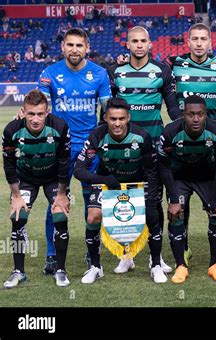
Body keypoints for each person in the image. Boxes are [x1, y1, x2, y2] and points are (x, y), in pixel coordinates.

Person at [36, 27, 111, 276]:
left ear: (87, 47)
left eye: (79, 45)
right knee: (56, 201)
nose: (74, 49)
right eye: (70, 45)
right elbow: (41, 108)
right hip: (61, 148)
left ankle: (92, 254)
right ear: (63, 47)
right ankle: (51, 255)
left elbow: (107, 114)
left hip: (90, 149)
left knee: (93, 203)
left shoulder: (99, 74)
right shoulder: (50, 73)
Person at [109, 26, 180, 274]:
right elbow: (107, 112)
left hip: (154, 147)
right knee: (124, 201)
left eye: (143, 41)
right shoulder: (116, 72)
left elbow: (172, 108)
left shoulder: (162, 70)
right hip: (123, 149)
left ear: (150, 44)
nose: (139, 45)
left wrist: (180, 130)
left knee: (153, 202)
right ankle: (126, 255)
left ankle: (155, 257)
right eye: (134, 41)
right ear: (127, 44)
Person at [74, 98, 167, 284]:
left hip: (138, 183)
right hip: (108, 184)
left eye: (121, 119)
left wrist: (151, 203)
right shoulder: (97, 136)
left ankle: (156, 265)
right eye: (113, 119)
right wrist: (103, 180)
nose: (117, 123)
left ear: (128, 118)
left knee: (153, 217)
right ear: (106, 118)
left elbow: (152, 171)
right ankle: (95, 267)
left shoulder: (142, 137)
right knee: (92, 216)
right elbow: (79, 170)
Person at [166, 23, 216, 268]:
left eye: (203, 38)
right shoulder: (173, 62)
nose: (198, 43)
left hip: (211, 139)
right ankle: (183, 249)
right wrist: (176, 117)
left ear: (210, 41)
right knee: (179, 199)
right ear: (188, 41)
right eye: (194, 38)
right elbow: (164, 85)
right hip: (183, 137)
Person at [3, 90, 71, 288]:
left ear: (47, 112)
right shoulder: (11, 130)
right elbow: (8, 164)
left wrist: (61, 194)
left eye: (40, 114)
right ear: (23, 112)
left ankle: (60, 270)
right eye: (31, 114)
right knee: (18, 217)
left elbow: (64, 161)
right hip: (26, 178)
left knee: (60, 215)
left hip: (52, 178)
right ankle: (18, 271)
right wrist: (16, 196)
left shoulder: (59, 127)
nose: (35, 119)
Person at [158, 95, 216, 283]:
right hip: (179, 177)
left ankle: (214, 264)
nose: (196, 119)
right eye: (191, 115)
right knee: (175, 214)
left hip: (207, 177)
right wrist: (173, 198)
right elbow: (163, 167)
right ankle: (181, 265)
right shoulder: (170, 132)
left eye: (200, 114)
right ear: (183, 114)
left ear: (206, 114)